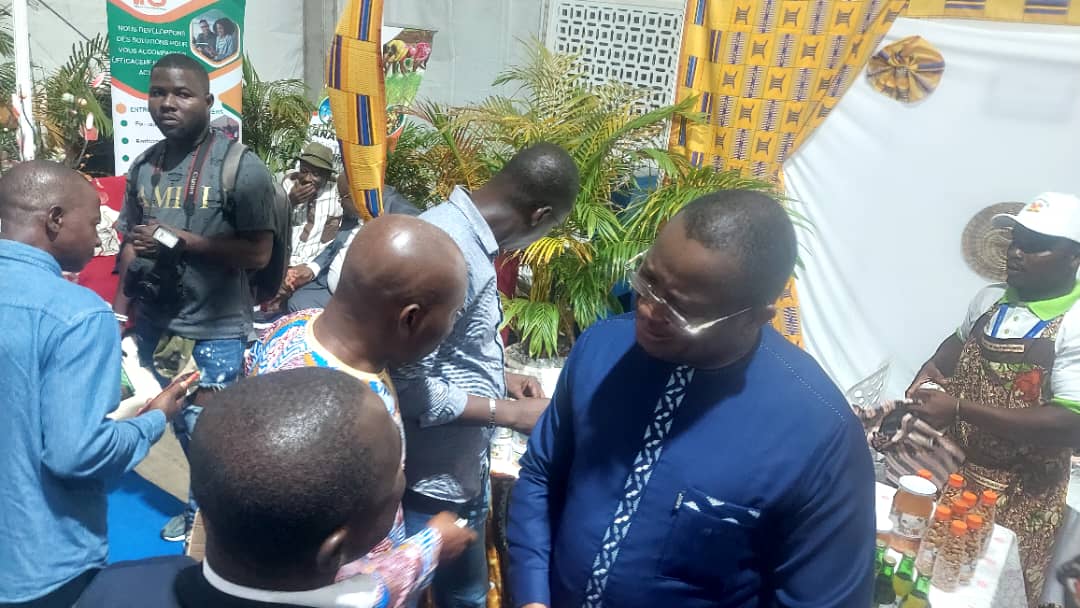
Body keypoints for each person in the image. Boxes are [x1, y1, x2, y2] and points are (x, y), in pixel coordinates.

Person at [507, 191, 876, 608]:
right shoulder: (601, 348)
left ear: (754, 318)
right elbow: (541, 473)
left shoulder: (821, 435)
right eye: (648, 281)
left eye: (681, 311)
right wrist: (532, 594)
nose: (649, 311)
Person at [77, 368, 477, 608]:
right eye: (395, 477)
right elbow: (375, 590)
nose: (401, 480)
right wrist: (432, 544)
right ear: (334, 550)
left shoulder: (116, 585)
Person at [392, 142, 579, 608]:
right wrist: (508, 413)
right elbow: (406, 387)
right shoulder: (446, 249)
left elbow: (451, 349)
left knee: (469, 596)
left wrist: (501, 378)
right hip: (426, 483)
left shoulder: (471, 242)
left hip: (462, 470)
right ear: (540, 215)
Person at [0, 161, 193, 607]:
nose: (99, 238)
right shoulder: (79, 315)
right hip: (42, 566)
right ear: (54, 219)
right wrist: (154, 420)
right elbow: (77, 453)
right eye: (93, 224)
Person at [246, 214, 469, 599]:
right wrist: (429, 548)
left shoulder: (297, 324)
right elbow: (329, 581)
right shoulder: (342, 415)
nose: (449, 329)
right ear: (411, 318)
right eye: (452, 316)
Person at [113, 52, 278, 542]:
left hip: (214, 330)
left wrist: (180, 240)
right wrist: (118, 314)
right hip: (158, 323)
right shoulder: (145, 166)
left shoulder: (240, 167)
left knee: (211, 433)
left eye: (182, 94)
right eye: (158, 93)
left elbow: (258, 254)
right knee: (182, 426)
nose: (168, 103)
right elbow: (129, 241)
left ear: (208, 101)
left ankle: (209, 528)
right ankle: (202, 510)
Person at [906, 192, 1080, 604]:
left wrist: (959, 408)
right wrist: (929, 373)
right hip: (956, 474)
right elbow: (954, 346)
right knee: (931, 582)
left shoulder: (1073, 323)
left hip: (1023, 496)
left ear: (1074, 257)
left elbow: (1069, 423)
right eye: (1016, 240)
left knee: (991, 594)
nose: (1016, 252)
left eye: (1036, 245)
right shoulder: (991, 298)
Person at [284, 183, 421, 312]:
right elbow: (337, 244)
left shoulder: (402, 214)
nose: (339, 203)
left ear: (354, 195)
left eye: (341, 197)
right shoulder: (353, 211)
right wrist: (311, 268)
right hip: (328, 290)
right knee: (295, 302)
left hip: (365, 307)